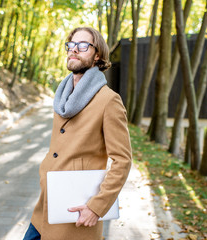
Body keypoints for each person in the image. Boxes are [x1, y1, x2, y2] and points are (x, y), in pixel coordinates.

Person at [23, 26, 132, 240]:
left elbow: (122, 160)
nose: (74, 50)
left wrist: (97, 207)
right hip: (46, 205)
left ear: (97, 55)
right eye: (71, 45)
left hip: (78, 211)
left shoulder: (108, 100)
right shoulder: (63, 95)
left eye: (83, 46)